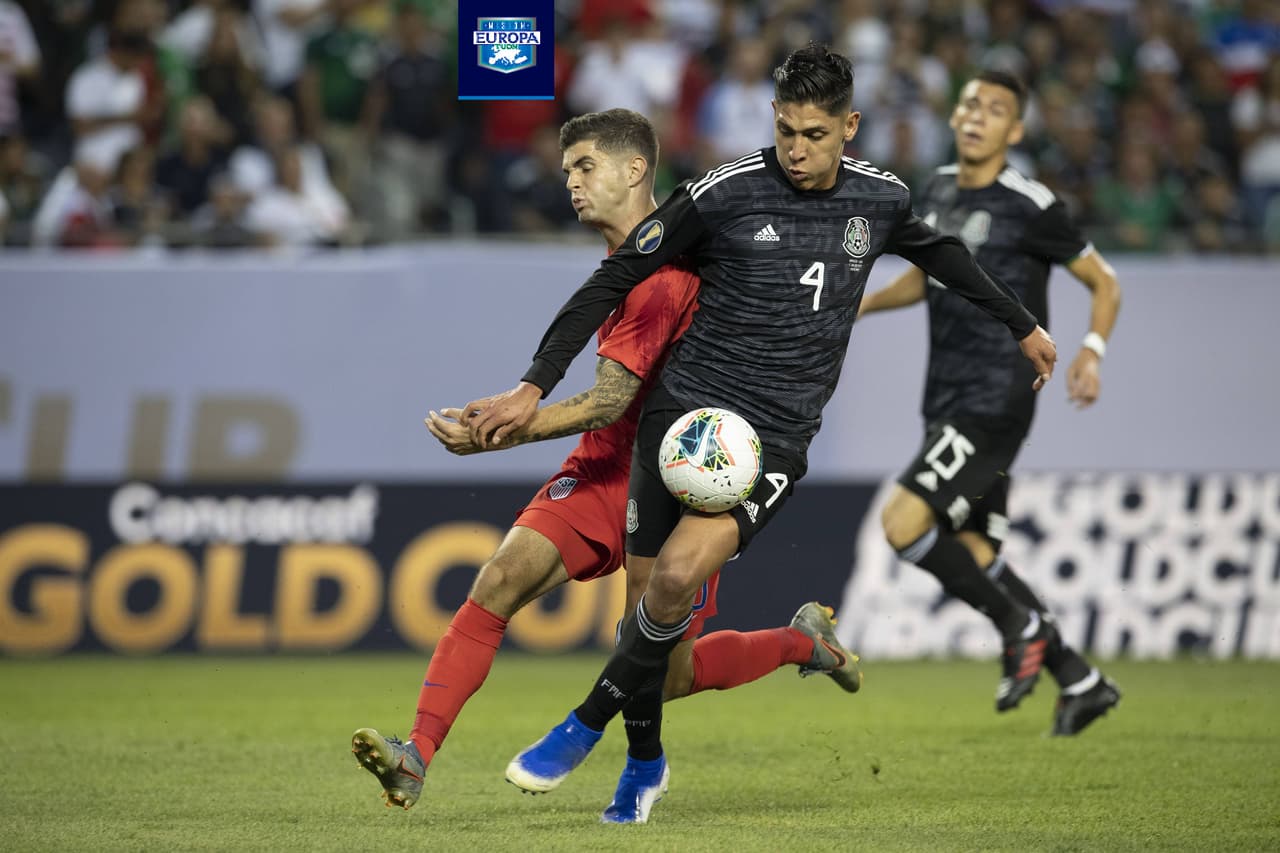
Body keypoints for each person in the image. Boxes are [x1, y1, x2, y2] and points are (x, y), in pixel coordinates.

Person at [465, 43, 1059, 821]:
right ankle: (646, 766)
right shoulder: (724, 192)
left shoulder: (879, 199)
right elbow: (615, 274)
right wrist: (532, 383)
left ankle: (583, 725)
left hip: (768, 441)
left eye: (814, 134)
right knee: (648, 627)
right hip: (681, 421)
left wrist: (1022, 324)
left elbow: (941, 251)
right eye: (785, 131)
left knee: (676, 582)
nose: (798, 150)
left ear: (849, 126)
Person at [349, 108, 862, 822]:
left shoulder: (676, 269)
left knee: (662, 673)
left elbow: (609, 398)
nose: (571, 185)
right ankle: (416, 756)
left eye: (584, 167)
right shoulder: (625, 271)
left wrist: (501, 427)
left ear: (634, 171)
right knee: (497, 580)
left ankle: (798, 642)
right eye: (567, 172)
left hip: (682, 480)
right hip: (604, 467)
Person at [857, 70, 1122, 735]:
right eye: (971, 103)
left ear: (1016, 130)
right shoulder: (938, 188)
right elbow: (925, 281)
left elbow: (1104, 280)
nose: (978, 115)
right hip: (942, 395)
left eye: (996, 108)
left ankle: (1020, 624)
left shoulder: (1030, 204)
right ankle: (1081, 680)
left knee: (903, 522)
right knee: (977, 549)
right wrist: (855, 306)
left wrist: (1091, 350)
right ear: (955, 115)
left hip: (996, 396)